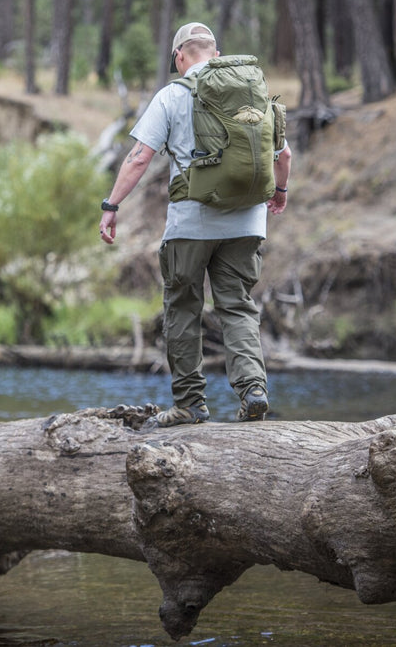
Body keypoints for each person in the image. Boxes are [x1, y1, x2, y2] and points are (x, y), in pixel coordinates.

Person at [100, 22, 291, 427]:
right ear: (216, 54)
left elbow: (139, 158)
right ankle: (253, 390)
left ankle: (190, 404)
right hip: (248, 222)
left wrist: (111, 204)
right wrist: (281, 192)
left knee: (183, 308)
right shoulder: (252, 91)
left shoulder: (172, 95)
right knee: (237, 306)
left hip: (191, 224)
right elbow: (283, 157)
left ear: (179, 57)